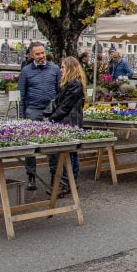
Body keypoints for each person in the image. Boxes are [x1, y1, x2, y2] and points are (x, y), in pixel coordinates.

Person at [17, 42, 61, 191]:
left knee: (53, 145)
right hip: (33, 110)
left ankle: (54, 176)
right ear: (31, 55)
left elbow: (59, 92)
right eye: (38, 54)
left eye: (43, 53)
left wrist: (58, 112)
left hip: (51, 112)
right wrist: (22, 116)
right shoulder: (26, 71)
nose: (41, 56)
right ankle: (31, 177)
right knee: (31, 146)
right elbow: (21, 95)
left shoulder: (55, 69)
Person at [46, 56, 85, 198]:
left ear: (69, 68)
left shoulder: (73, 84)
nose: (61, 70)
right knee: (71, 153)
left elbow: (65, 106)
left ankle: (65, 183)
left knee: (66, 154)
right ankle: (70, 182)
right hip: (72, 121)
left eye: (63, 67)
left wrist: (52, 118)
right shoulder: (73, 83)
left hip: (69, 122)